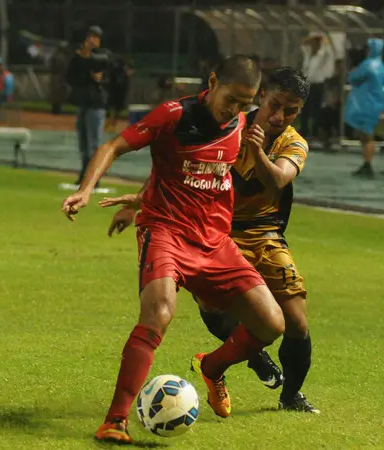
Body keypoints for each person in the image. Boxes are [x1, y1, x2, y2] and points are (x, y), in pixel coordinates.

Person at [60, 55, 285, 444]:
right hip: (165, 231)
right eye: (230, 99)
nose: (235, 109)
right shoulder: (173, 114)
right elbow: (114, 145)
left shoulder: (244, 126)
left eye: (244, 104)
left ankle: (212, 368)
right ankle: (115, 420)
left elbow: (184, 173)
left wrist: (137, 198)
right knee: (158, 313)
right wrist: (86, 189)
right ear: (212, 82)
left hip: (215, 241)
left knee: (271, 323)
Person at [102, 67, 319, 414]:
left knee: (295, 321)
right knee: (213, 309)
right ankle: (245, 361)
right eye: (276, 105)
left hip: (265, 233)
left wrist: (257, 150)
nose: (280, 116)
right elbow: (177, 166)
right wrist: (139, 203)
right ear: (262, 96)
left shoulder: (292, 142)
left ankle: (289, 396)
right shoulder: (229, 118)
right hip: (216, 230)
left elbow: (277, 179)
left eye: (290, 111)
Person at [66, 25, 111, 190]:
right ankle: (84, 175)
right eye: (90, 37)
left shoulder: (103, 57)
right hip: (83, 103)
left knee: (94, 143)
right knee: (83, 143)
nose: (92, 40)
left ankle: (93, 178)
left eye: (96, 38)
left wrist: (101, 78)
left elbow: (110, 78)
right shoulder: (78, 58)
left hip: (96, 104)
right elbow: (71, 77)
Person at [346, 38, 384, 177]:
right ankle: (366, 163)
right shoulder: (381, 66)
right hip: (375, 104)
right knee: (366, 134)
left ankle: (368, 164)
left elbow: (353, 77)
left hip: (365, 104)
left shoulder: (368, 65)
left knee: (367, 135)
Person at [300, 33, 335, 143]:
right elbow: (302, 44)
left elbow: (329, 50)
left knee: (316, 111)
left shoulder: (323, 55)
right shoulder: (308, 54)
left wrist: (323, 38)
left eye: (315, 42)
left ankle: (314, 133)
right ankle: (304, 132)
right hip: (307, 84)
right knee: (304, 110)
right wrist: (311, 38)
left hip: (318, 86)